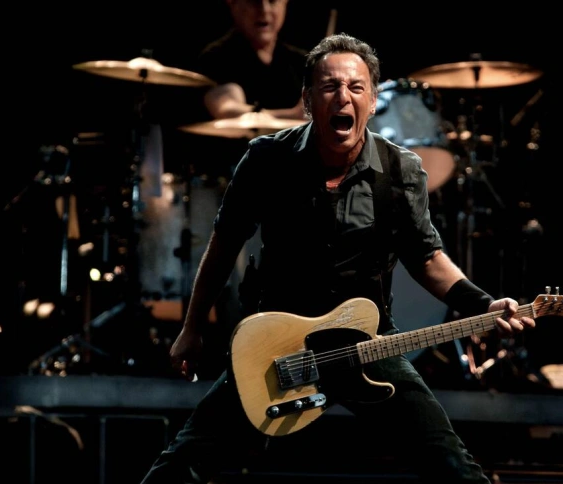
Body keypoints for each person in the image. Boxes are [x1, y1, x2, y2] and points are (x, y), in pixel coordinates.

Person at [139, 33, 536, 484]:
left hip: (366, 342)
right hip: (277, 348)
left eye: (356, 87)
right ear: (308, 101)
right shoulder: (267, 159)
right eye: (329, 87)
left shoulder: (401, 170)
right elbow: (223, 245)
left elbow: (426, 258)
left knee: (452, 465)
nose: (343, 96)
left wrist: (484, 304)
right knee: (181, 465)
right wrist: (191, 329)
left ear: (372, 101)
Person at [193, 0, 307, 121]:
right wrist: (292, 116)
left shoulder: (303, 62)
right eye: (254, 1)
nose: (264, 10)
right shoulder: (216, 58)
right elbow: (226, 109)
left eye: (272, 1)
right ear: (232, 3)